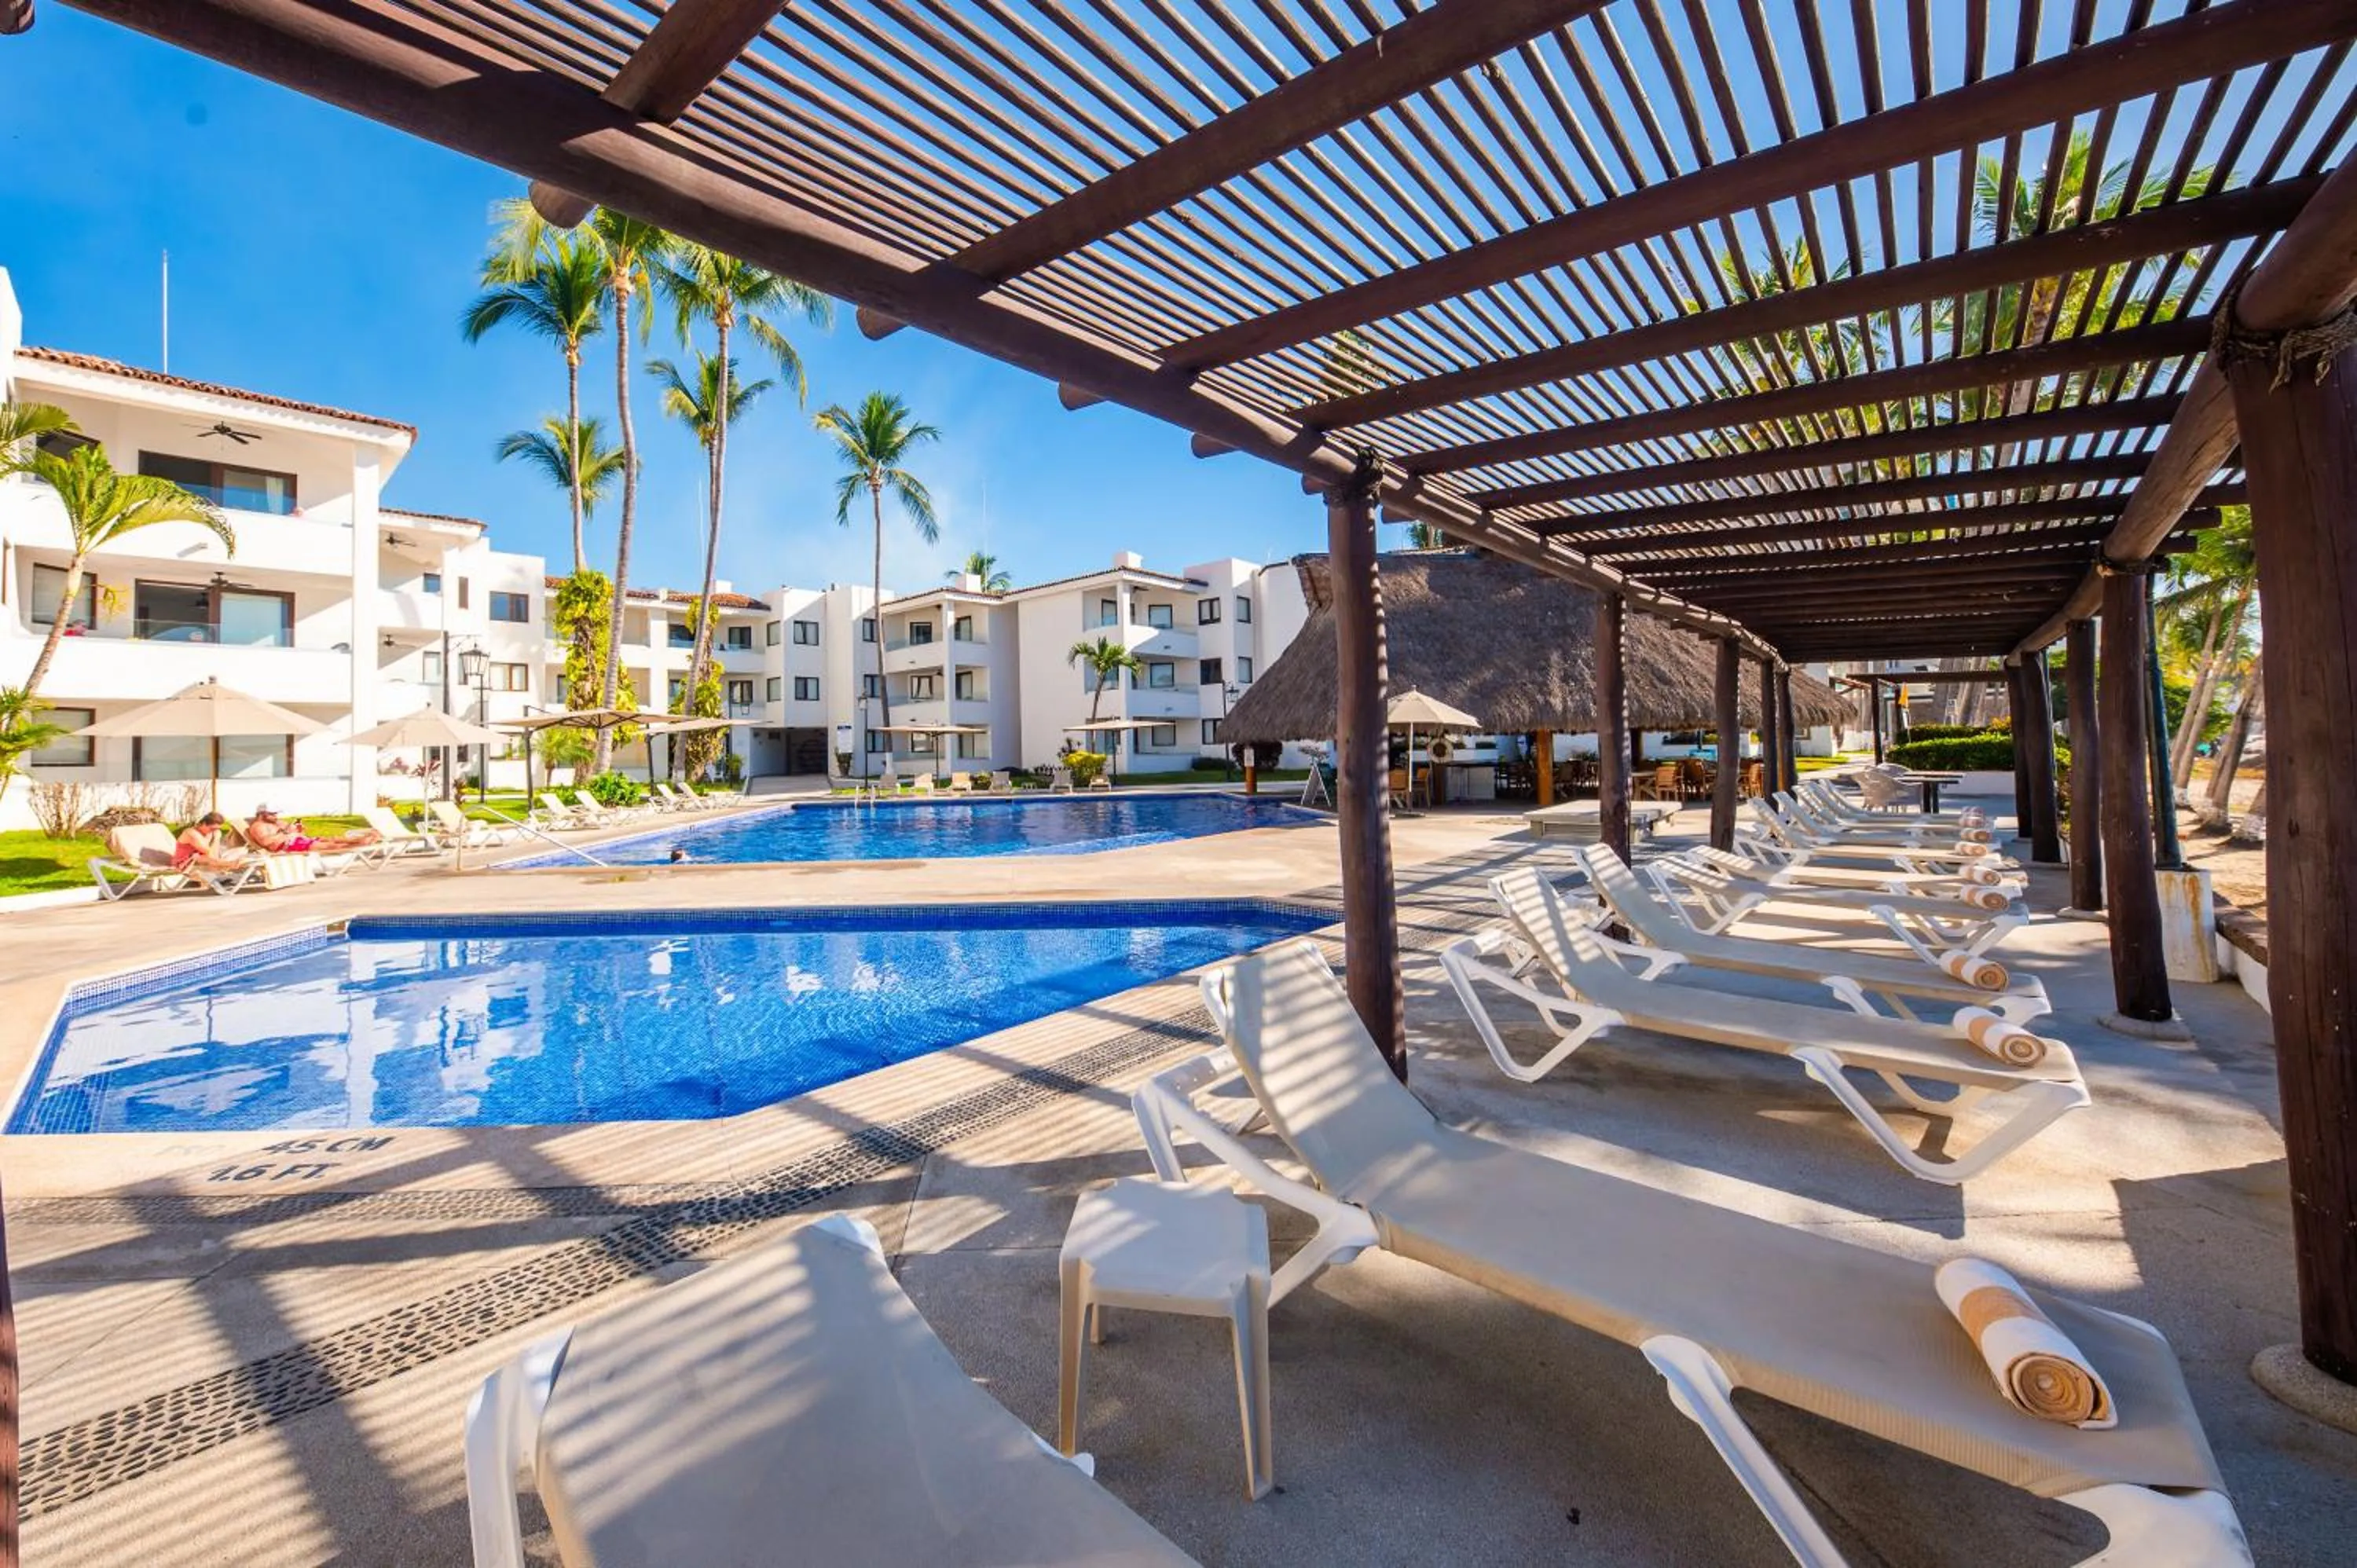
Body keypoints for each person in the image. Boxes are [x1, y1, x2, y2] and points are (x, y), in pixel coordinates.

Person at [244, 806, 381, 855]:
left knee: (331, 838)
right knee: (329, 846)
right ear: (263, 814)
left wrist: (297, 828)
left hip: (297, 840)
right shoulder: (258, 827)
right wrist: (283, 832)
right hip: (287, 846)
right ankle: (361, 844)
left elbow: (297, 831)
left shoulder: (276, 822)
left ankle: (361, 839)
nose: (276, 816)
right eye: (273, 814)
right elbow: (266, 842)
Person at [174, 813, 251, 873]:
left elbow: (214, 854)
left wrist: (215, 837)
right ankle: (232, 864)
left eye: (217, 829)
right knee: (203, 857)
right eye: (212, 829)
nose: (214, 831)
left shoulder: (211, 833)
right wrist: (216, 838)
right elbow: (209, 852)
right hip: (184, 863)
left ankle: (229, 864)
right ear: (203, 824)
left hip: (202, 859)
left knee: (239, 851)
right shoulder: (191, 833)